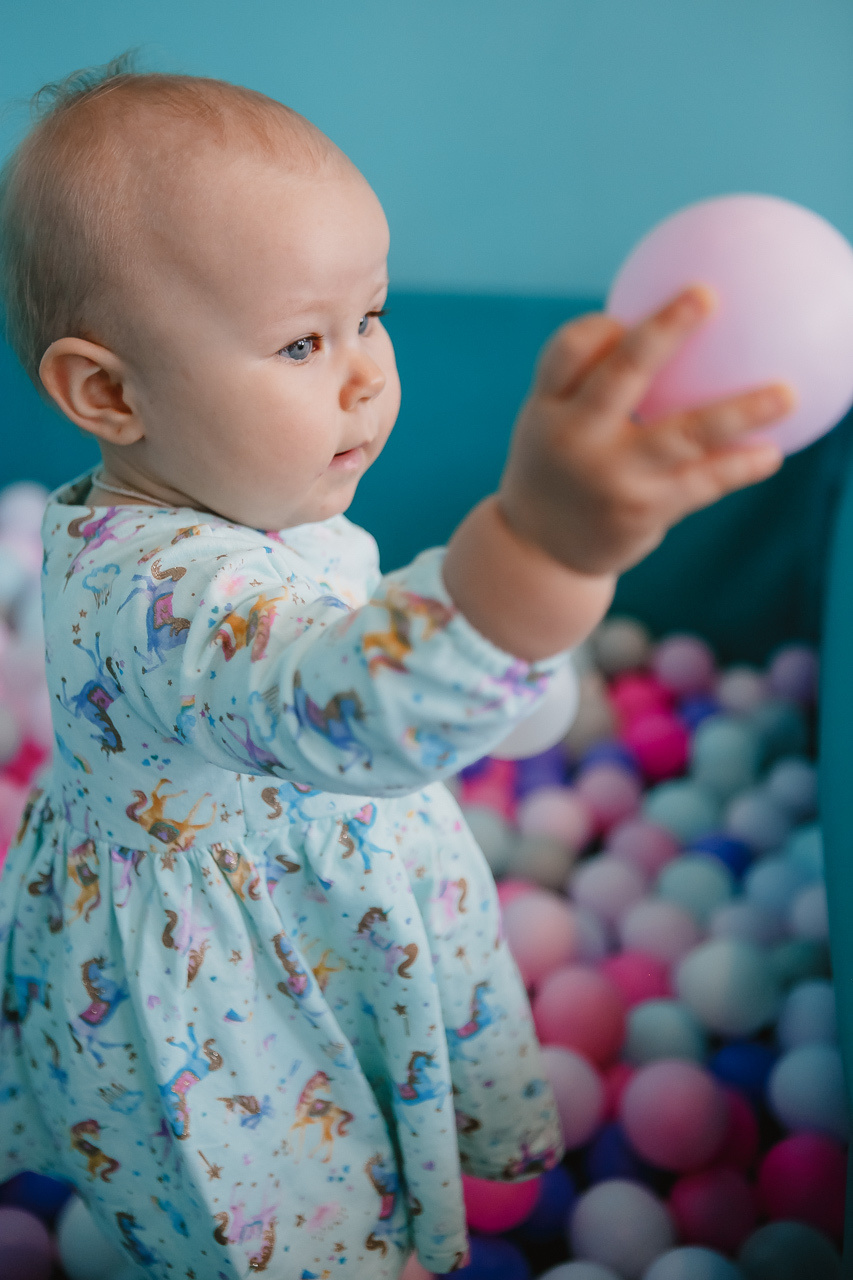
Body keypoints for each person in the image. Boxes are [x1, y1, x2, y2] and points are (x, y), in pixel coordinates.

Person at [0, 57, 793, 1279]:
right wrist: (536, 548)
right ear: (108, 391)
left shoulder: (242, 487)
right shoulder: (161, 592)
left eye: (371, 314)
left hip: (312, 894)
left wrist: (493, 650)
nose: (367, 370)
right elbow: (343, 700)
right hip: (236, 998)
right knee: (296, 1228)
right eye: (304, 339)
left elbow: (353, 627)